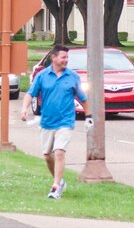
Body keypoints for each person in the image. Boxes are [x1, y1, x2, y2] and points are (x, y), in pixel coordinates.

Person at [20, 45, 91, 199]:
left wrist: (89, 117)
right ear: (54, 58)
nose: (66, 60)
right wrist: (24, 109)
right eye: (63, 57)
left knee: (59, 152)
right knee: (47, 155)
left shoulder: (72, 77)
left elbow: (83, 99)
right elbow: (30, 94)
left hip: (65, 121)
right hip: (47, 122)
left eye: (67, 58)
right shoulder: (42, 75)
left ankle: (56, 187)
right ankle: (59, 180)